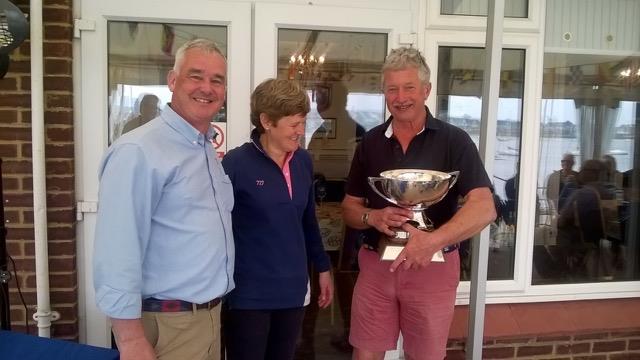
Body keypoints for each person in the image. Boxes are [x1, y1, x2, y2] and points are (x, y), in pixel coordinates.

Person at [341, 47, 496, 360]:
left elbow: (484, 207)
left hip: (432, 267)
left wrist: (431, 241)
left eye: (409, 87)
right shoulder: (370, 142)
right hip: (377, 263)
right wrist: (372, 217)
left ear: (426, 90)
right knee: (365, 353)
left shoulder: (454, 140)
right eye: (392, 89)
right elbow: (349, 207)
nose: (401, 97)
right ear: (384, 93)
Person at [93, 39, 235, 360]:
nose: (207, 88)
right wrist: (129, 340)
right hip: (168, 323)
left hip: (208, 318)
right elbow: (117, 249)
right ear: (173, 81)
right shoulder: (139, 150)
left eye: (217, 80)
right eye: (195, 76)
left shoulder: (203, 147)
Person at [221, 78, 333, 360]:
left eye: (303, 122)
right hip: (248, 295)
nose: (301, 131)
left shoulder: (303, 161)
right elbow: (216, 230)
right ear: (267, 121)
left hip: (293, 291)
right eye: (293, 124)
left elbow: (308, 221)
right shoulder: (235, 164)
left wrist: (323, 267)